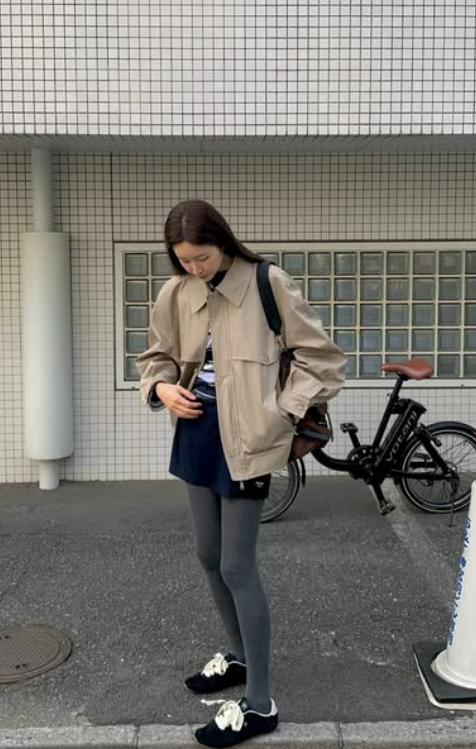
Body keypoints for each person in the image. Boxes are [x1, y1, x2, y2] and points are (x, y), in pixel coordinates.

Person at [136, 199, 346, 748]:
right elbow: (156, 355)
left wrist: (280, 413)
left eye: (201, 258)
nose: (194, 268)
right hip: (196, 433)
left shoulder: (267, 282)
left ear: (223, 243)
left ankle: (260, 703)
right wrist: (161, 388)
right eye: (184, 260)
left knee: (237, 566)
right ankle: (237, 654)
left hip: (249, 440)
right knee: (208, 555)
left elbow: (322, 359)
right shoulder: (175, 292)